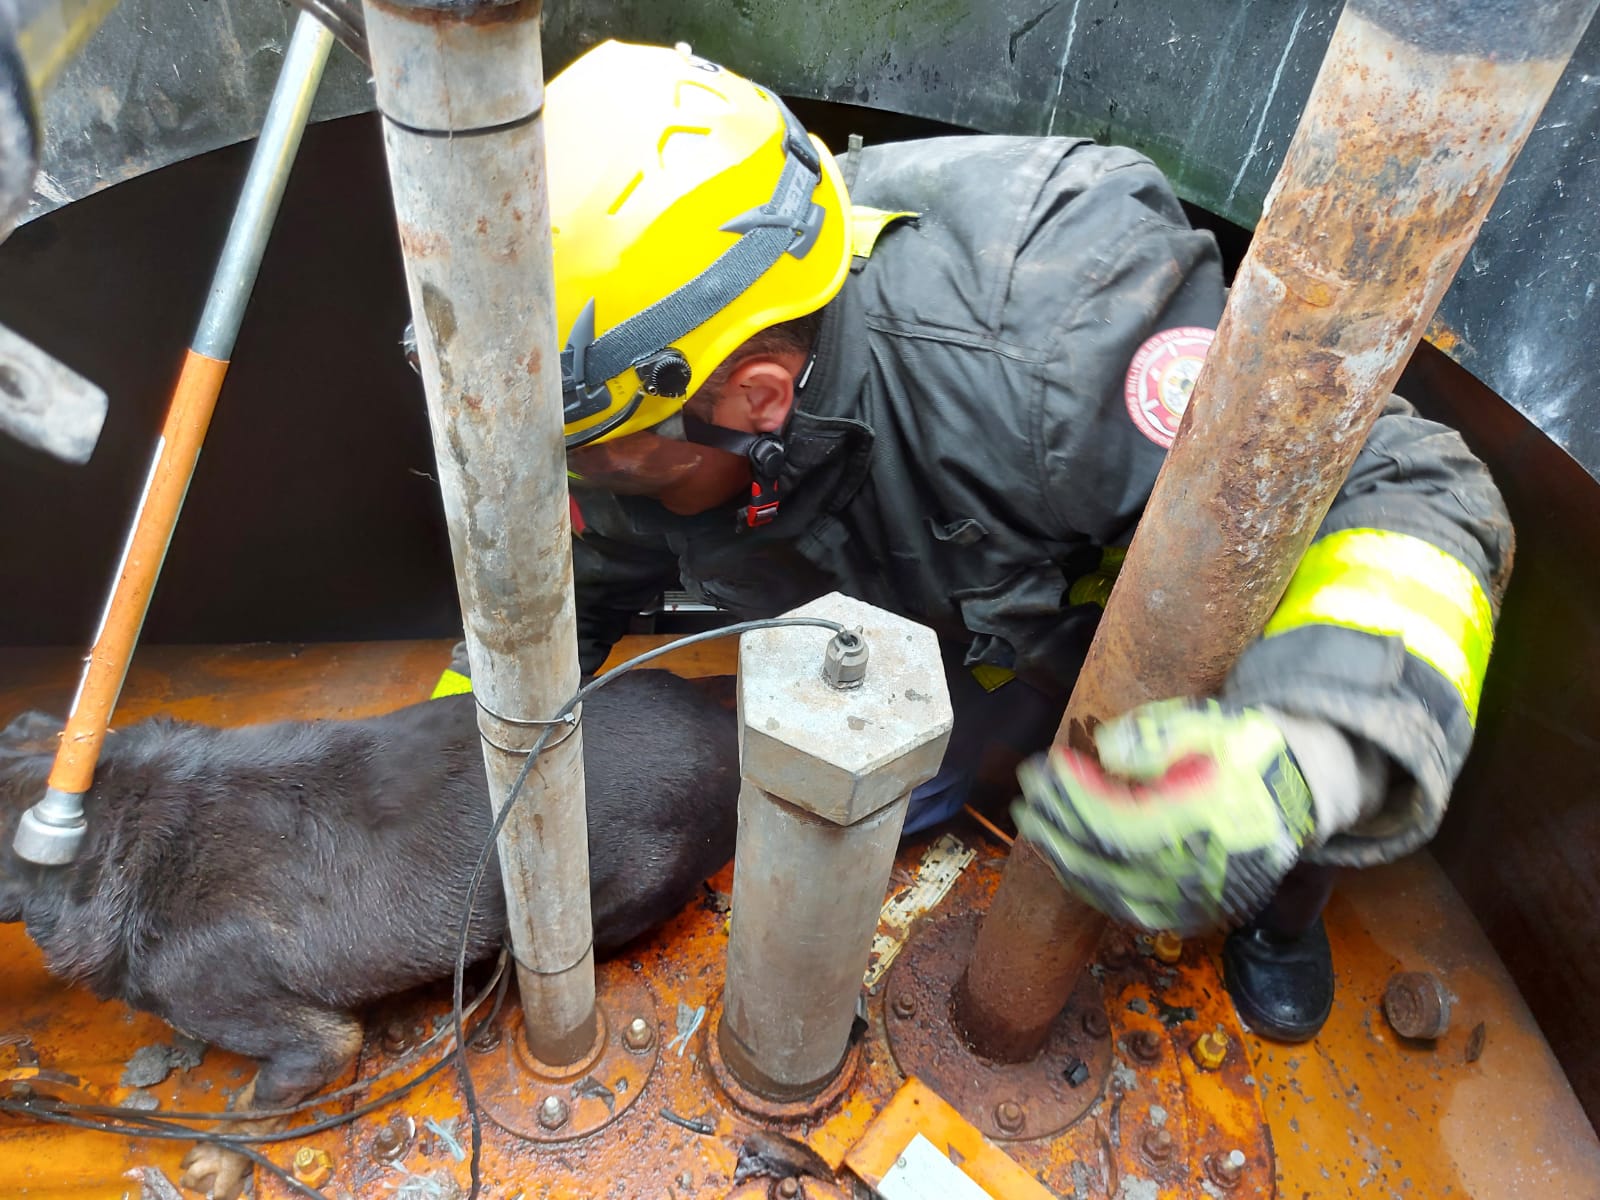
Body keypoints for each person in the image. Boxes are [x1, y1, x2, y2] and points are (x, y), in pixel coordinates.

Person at [527, 40, 1513, 1043]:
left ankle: (1280, 914)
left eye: (606, 462)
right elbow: (587, 557)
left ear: (755, 399)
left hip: (1126, 631)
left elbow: (1408, 480)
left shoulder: (1052, 348)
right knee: (895, 795)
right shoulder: (625, 371)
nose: (586, 482)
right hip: (942, 631)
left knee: (1266, 805)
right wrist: (483, 724)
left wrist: (1308, 759)